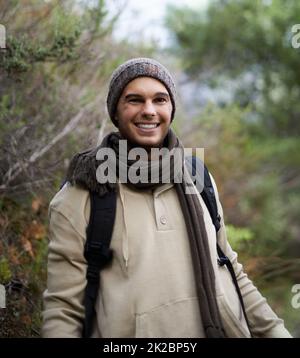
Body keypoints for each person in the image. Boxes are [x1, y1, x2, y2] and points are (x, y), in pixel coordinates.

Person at [42, 57, 292, 338]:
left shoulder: (196, 176)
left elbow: (230, 268)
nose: (148, 111)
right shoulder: (84, 193)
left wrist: (275, 331)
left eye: (160, 100)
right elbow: (63, 310)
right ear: (115, 111)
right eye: (134, 100)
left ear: (171, 109)